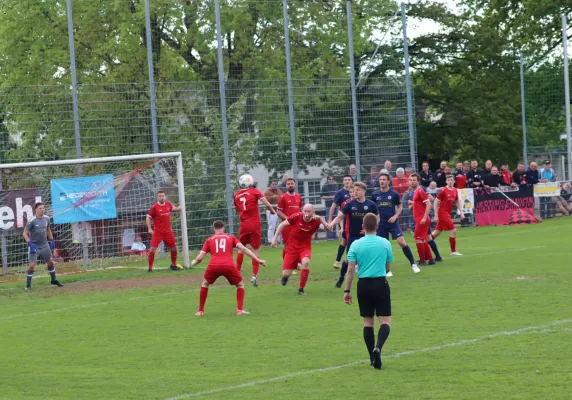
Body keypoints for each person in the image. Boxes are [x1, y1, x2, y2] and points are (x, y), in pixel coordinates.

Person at [343, 212, 393, 370]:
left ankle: (372, 356)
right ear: (377, 226)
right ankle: (378, 347)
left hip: (363, 285)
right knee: (385, 321)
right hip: (380, 283)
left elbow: (350, 269)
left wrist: (347, 290)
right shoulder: (385, 243)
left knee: (368, 323)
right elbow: (388, 267)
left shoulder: (355, 245)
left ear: (363, 227)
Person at [191, 220, 267, 316]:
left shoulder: (209, 240)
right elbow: (243, 249)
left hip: (214, 266)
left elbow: (200, 257)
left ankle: (200, 311)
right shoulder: (231, 237)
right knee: (240, 285)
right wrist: (258, 260)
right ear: (224, 228)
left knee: (205, 284)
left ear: (214, 229)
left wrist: (194, 262)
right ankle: (239, 310)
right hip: (228, 265)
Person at [328, 182, 379, 288]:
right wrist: (332, 223)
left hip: (367, 237)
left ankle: (369, 282)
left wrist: (371, 230)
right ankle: (341, 278)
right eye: (354, 190)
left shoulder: (371, 205)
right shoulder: (350, 204)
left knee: (368, 259)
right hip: (353, 238)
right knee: (348, 261)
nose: (355, 192)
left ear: (363, 191)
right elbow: (340, 216)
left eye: (357, 190)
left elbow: (377, 219)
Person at [272, 204, 330, 294]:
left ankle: (301, 289)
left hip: (305, 247)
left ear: (313, 212)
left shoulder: (317, 221)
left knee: (306, 262)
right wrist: (275, 238)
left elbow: (329, 229)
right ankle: (285, 277)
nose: (306, 214)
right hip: (292, 247)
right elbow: (282, 224)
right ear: (302, 211)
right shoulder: (296, 217)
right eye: (305, 211)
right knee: (286, 273)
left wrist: (322, 220)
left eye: (309, 212)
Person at [372, 172, 420, 274]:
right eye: (380, 180)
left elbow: (400, 207)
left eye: (384, 179)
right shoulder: (375, 195)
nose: (382, 181)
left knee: (401, 242)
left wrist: (395, 216)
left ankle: (413, 264)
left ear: (388, 181)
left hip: (393, 223)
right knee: (384, 247)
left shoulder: (394, 194)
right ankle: (388, 270)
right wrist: (376, 218)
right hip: (381, 224)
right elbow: (373, 209)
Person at [233, 179, 276, 287]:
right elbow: (266, 203)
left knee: (241, 248)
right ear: (251, 183)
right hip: (254, 224)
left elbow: (237, 210)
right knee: (255, 249)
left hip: (244, 224)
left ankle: (237, 273)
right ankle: (254, 276)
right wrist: (272, 211)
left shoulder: (236, 195)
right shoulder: (255, 191)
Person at [22, 202, 63, 290]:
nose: (42, 210)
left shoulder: (47, 219)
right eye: (40, 208)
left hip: (44, 245)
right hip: (34, 246)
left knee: (51, 263)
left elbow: (48, 230)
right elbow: (25, 233)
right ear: (36, 210)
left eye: (43, 208)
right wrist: (30, 244)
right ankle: (28, 285)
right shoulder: (32, 221)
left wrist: (52, 241)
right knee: (32, 265)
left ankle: (53, 280)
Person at [146, 190, 182, 272]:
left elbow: (174, 208)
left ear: (165, 197)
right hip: (158, 232)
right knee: (152, 249)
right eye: (160, 196)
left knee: (174, 247)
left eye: (163, 196)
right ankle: (150, 268)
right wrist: (149, 229)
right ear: (157, 197)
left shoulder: (168, 204)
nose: (162, 197)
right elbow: (148, 217)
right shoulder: (155, 207)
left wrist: (178, 208)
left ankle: (173, 265)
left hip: (168, 232)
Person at [432, 175, 465, 256]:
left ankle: (425, 242)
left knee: (437, 232)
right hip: (442, 213)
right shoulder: (443, 190)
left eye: (451, 180)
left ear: (454, 182)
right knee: (453, 230)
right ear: (446, 181)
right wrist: (436, 215)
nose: (450, 181)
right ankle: (453, 251)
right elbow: (436, 202)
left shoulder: (455, 190)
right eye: (448, 180)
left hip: (447, 213)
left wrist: (462, 212)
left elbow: (457, 201)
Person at [408, 173, 436, 266]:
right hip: (420, 219)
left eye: (414, 180)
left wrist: (424, 217)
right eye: (410, 180)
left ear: (418, 181)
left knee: (418, 238)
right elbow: (420, 205)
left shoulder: (420, 191)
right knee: (423, 239)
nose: (412, 182)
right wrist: (412, 205)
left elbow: (429, 204)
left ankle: (423, 261)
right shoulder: (416, 191)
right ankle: (431, 260)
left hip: (422, 219)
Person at [328, 175, 353, 268]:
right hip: (345, 219)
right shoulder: (340, 193)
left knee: (348, 241)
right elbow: (335, 207)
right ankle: (340, 261)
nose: (347, 181)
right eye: (345, 180)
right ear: (343, 182)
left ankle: (346, 263)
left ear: (352, 181)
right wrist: (330, 220)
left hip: (354, 220)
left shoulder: (356, 191)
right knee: (346, 241)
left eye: (348, 180)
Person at [276, 178, 303, 258]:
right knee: (288, 246)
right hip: (287, 226)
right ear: (286, 186)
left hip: (297, 225)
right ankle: (287, 265)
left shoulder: (298, 196)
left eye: (292, 183)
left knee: (298, 244)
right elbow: (279, 212)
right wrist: (288, 219)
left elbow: (300, 209)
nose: (290, 185)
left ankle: (297, 264)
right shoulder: (283, 197)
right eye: (288, 184)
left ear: (295, 185)